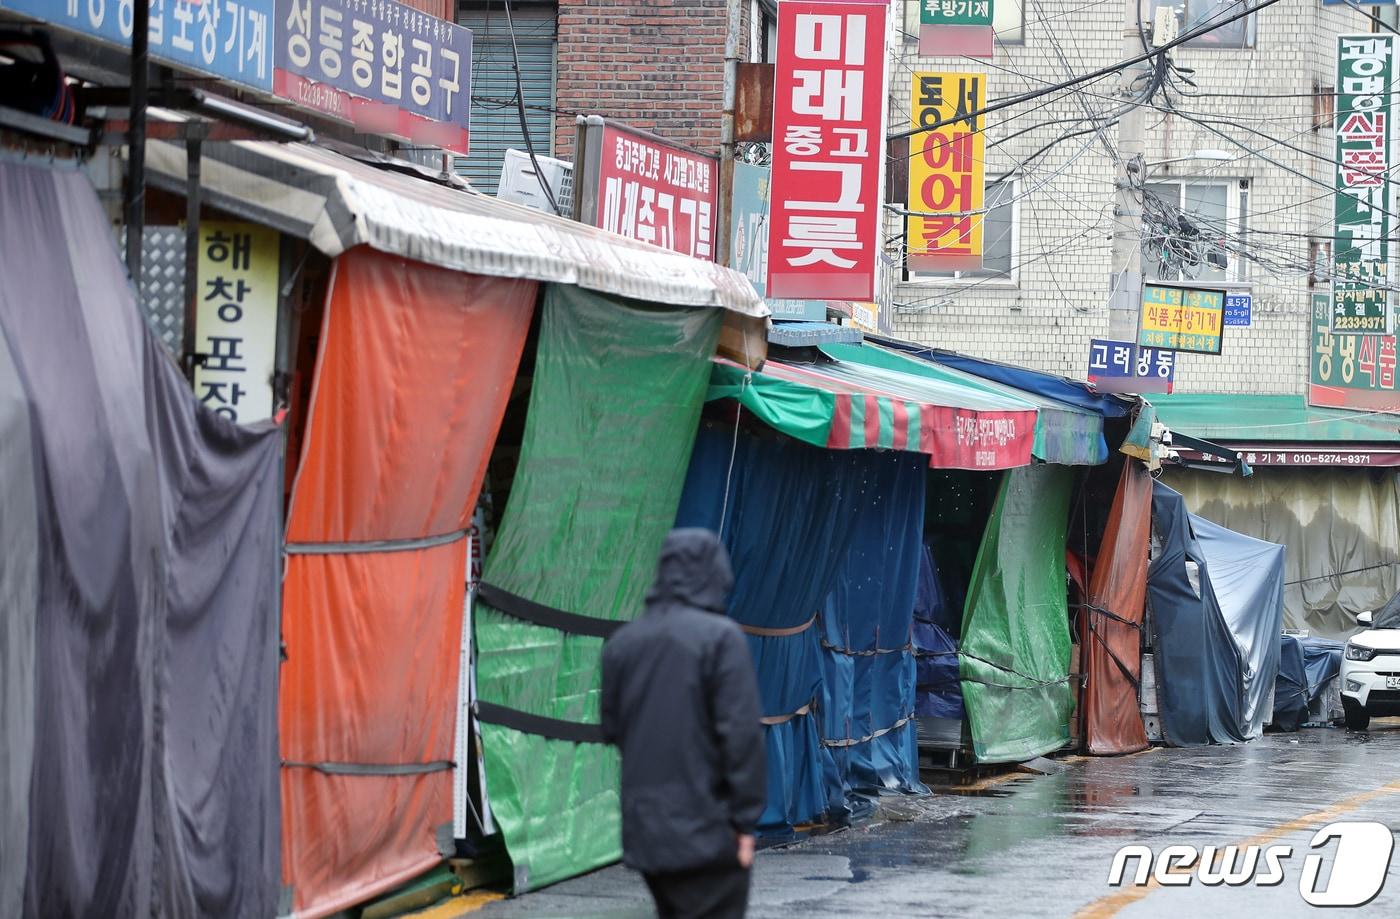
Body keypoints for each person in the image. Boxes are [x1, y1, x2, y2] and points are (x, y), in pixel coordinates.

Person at [601, 528, 767, 919]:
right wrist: (745, 822)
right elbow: (741, 736)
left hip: (645, 834)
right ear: (716, 574)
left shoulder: (622, 644)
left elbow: (611, 729)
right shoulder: (721, 639)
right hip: (708, 831)